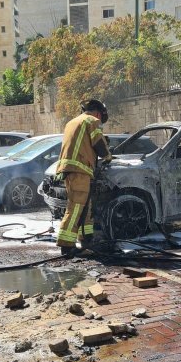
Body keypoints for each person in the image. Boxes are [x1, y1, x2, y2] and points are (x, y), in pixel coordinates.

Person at [56, 99, 112, 256]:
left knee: (84, 207)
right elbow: (99, 145)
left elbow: (83, 144)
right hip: (79, 169)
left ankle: (86, 239)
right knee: (75, 208)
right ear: (98, 113)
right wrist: (108, 156)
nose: (100, 120)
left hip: (69, 169)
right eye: (101, 116)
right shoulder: (92, 120)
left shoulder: (72, 122)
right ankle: (66, 246)